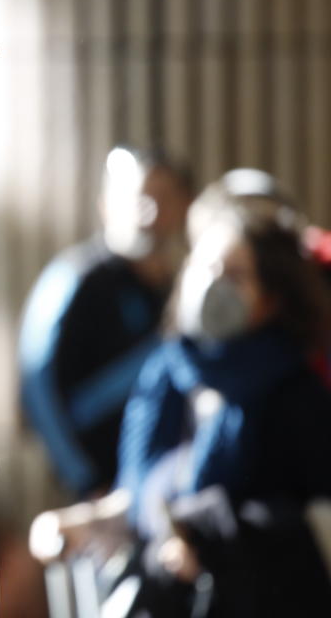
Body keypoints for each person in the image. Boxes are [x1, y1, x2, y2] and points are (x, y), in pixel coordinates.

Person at [32, 193, 331, 616]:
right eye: (205, 267)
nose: (212, 284)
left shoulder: (294, 393)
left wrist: (211, 543)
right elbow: (142, 500)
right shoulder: (165, 376)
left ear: (271, 299)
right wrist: (87, 522)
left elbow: (311, 531)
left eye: (235, 275)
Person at [19, 146, 195, 497]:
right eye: (138, 196)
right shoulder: (73, 279)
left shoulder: (180, 287)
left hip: (160, 488)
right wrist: (84, 479)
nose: (150, 210)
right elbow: (38, 390)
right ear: (106, 203)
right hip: (98, 486)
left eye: (163, 197)